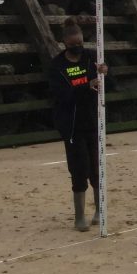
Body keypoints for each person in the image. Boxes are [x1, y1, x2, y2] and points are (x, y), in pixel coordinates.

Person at [47, 17, 108, 231]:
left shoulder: (92, 57)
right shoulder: (57, 66)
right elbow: (64, 97)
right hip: (72, 126)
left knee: (97, 168)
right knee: (79, 169)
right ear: (64, 42)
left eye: (80, 42)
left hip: (93, 122)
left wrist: (104, 73)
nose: (78, 47)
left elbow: (104, 85)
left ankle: (100, 210)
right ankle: (79, 216)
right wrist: (86, 86)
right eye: (73, 44)